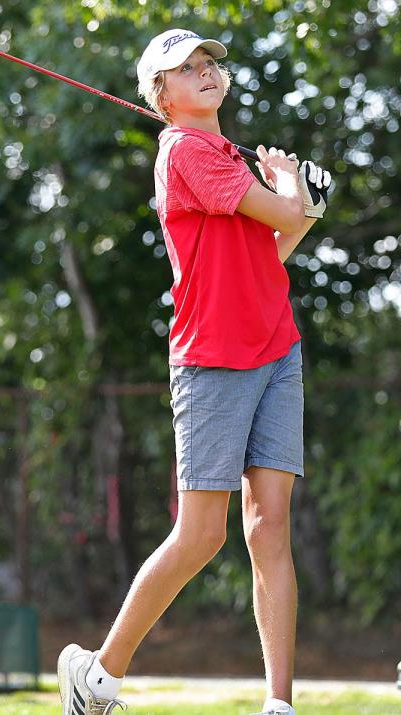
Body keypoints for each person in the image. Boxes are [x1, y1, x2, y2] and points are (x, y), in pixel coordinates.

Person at [57, 29, 332, 715]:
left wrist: (299, 204)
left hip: (275, 346)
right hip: (213, 358)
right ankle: (98, 678)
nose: (206, 73)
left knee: (269, 527)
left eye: (210, 64)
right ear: (163, 95)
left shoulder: (226, 154)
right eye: (188, 68)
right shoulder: (184, 151)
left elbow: (273, 246)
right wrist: (299, 190)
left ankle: (279, 703)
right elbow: (283, 210)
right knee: (202, 533)